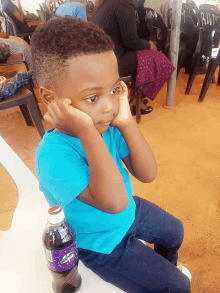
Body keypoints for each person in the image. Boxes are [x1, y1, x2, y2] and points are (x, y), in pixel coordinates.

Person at [32, 16, 191, 293]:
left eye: (114, 89)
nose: (109, 107)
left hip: (130, 211)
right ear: (49, 98)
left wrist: (127, 121)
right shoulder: (52, 155)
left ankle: (164, 270)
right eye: (93, 97)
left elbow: (147, 173)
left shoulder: (107, 125)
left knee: (175, 231)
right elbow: (113, 203)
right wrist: (85, 130)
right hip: (100, 242)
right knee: (177, 287)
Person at [92, 0, 157, 77]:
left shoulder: (100, 4)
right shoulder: (123, 3)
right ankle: (142, 88)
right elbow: (131, 41)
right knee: (157, 58)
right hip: (115, 62)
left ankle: (138, 86)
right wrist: (149, 45)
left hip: (99, 60)